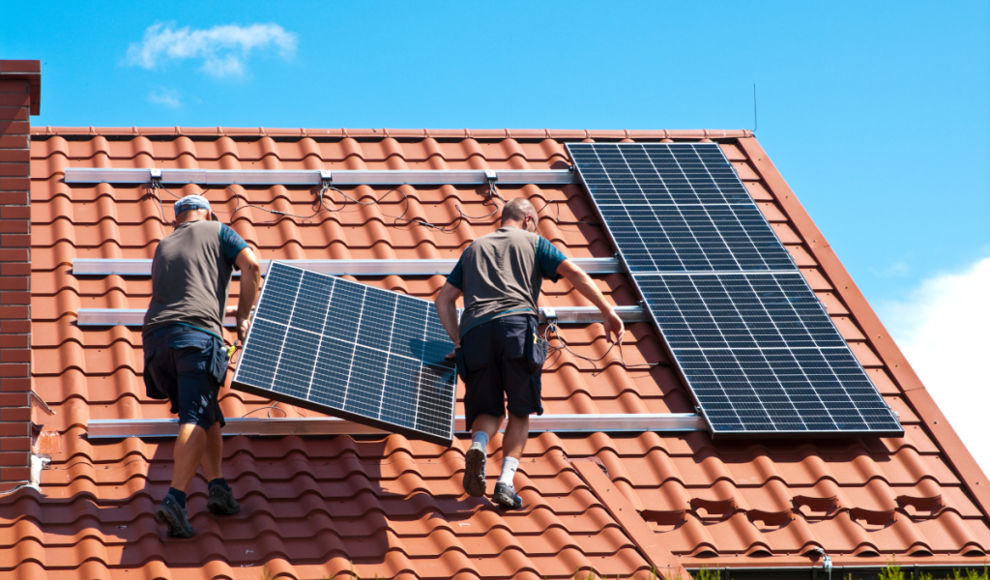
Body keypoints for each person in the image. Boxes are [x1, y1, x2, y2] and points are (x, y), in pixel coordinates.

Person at [434, 197, 624, 509]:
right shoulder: (535, 242)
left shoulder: (473, 249)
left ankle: (479, 445)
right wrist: (606, 310)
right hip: (516, 328)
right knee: (520, 410)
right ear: (527, 220)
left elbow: (444, 300)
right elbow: (573, 273)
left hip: (476, 333)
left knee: (488, 410)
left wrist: (459, 343)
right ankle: (506, 483)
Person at [143, 194, 261, 538]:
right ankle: (176, 500)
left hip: (155, 344)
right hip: (195, 337)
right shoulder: (220, 230)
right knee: (194, 417)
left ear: (176, 220)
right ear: (208, 213)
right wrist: (241, 317)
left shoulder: (164, 243)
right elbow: (252, 266)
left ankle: (218, 487)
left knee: (207, 411)